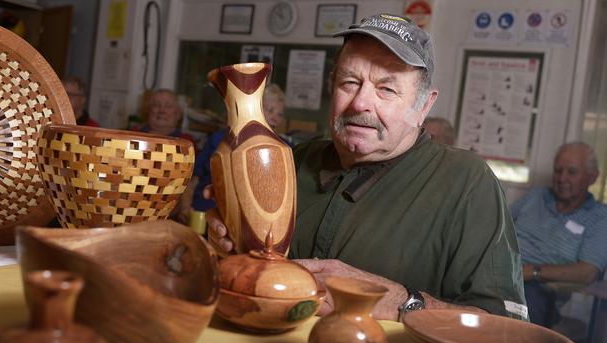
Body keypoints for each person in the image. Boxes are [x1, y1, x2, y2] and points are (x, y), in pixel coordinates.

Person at [206, 13, 526, 321]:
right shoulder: (293, 160)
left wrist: (402, 302)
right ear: (332, 87)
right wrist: (228, 243)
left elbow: (504, 328)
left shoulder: (467, 183)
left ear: (424, 106)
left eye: (386, 89)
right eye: (350, 82)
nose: (360, 103)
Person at [511, 142, 607, 327]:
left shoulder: (600, 217)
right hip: (497, 272)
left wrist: (532, 272)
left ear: (592, 177)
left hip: (537, 290)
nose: (562, 178)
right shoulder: (537, 196)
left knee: (517, 310)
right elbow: (498, 224)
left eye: (572, 172)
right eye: (557, 170)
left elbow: (588, 272)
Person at [176, 84, 291, 223]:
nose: (275, 118)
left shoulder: (283, 148)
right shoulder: (219, 139)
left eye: (279, 114)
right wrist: (185, 208)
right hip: (202, 215)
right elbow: (193, 179)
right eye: (269, 110)